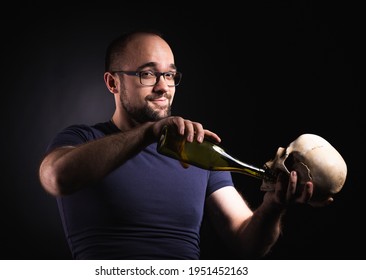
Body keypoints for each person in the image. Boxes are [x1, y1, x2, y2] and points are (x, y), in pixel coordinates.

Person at [38, 29, 333, 260]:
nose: (163, 86)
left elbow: (248, 243)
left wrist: (273, 208)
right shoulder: (82, 140)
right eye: (147, 73)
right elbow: (55, 178)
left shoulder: (199, 151)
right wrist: (149, 133)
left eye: (169, 74)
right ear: (113, 83)